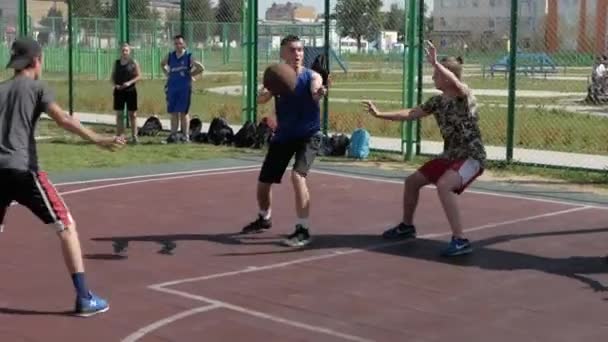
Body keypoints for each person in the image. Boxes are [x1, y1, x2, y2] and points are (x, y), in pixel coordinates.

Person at [0, 37, 125, 316]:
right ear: (37, 61)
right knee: (66, 226)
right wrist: (99, 139)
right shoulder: (37, 86)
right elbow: (63, 119)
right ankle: (84, 298)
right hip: (23, 170)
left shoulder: (1, 89)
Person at [362, 40, 486, 257]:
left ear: (446, 76)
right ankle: (407, 227)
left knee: (444, 185)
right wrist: (380, 114)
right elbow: (411, 113)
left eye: (436, 74)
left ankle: (460, 240)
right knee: (412, 182)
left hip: (471, 157)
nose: (432, 77)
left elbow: (457, 84)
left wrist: (437, 63)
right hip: (450, 156)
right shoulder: (437, 102)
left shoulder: (464, 97)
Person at [240, 35, 328, 247]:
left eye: (300, 50)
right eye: (292, 50)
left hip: (309, 135)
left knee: (297, 176)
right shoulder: (278, 77)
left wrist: (320, 92)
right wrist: (263, 92)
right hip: (284, 135)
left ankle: (303, 229)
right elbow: (261, 99)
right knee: (263, 184)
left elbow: (316, 93)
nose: (297, 54)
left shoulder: (312, 76)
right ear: (282, 53)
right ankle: (265, 217)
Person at [160, 35, 204, 141]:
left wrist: (191, 74)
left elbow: (201, 67)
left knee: (184, 112)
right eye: (176, 43)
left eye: (180, 43)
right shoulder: (171, 56)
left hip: (184, 88)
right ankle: (173, 135)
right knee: (174, 112)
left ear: (183, 44)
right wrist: (167, 73)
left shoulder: (188, 56)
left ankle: (185, 136)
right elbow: (162, 64)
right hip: (172, 87)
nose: (178, 46)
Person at [111, 43, 141, 144]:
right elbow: (112, 77)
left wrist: (129, 83)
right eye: (123, 50)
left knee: (132, 114)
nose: (124, 52)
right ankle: (120, 136)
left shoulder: (133, 62)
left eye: (126, 50)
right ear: (120, 51)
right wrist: (115, 85)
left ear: (129, 51)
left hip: (130, 91)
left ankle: (134, 136)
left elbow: (138, 76)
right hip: (119, 91)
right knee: (119, 114)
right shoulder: (117, 63)